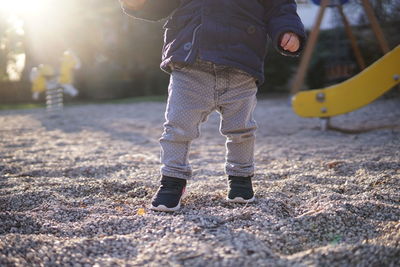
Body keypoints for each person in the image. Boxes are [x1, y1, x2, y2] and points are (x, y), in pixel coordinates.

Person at [120, 0, 305, 212]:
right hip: (190, 63)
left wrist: (288, 30)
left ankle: (240, 178)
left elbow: (280, 7)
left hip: (241, 64)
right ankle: (172, 180)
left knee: (241, 129)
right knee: (178, 126)